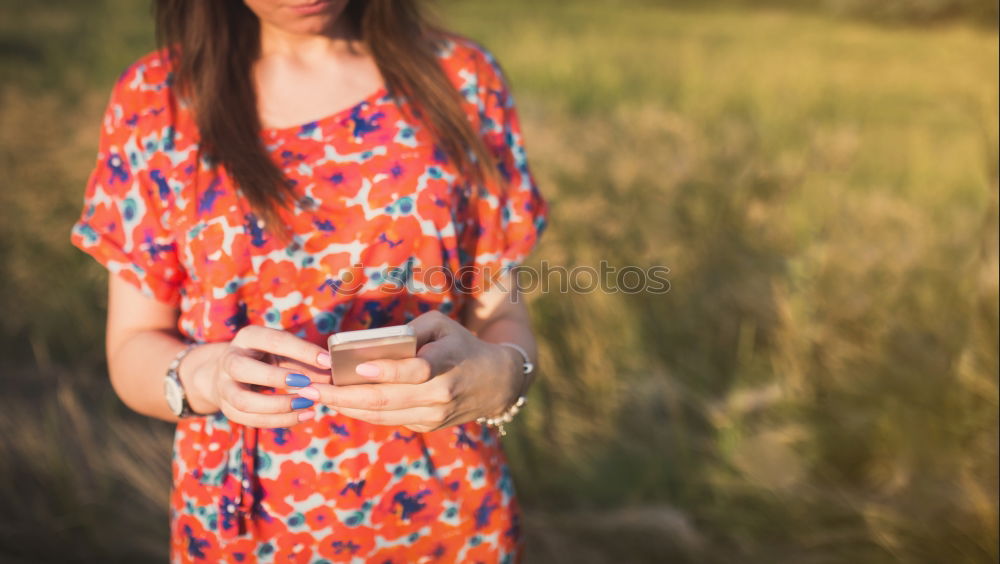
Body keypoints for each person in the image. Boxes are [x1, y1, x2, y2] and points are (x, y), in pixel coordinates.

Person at [69, 0, 549, 561]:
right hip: (247, 533)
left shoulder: (463, 79)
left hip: (454, 518)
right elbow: (132, 348)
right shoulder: (155, 101)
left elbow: (500, 311)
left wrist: (505, 375)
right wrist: (207, 375)